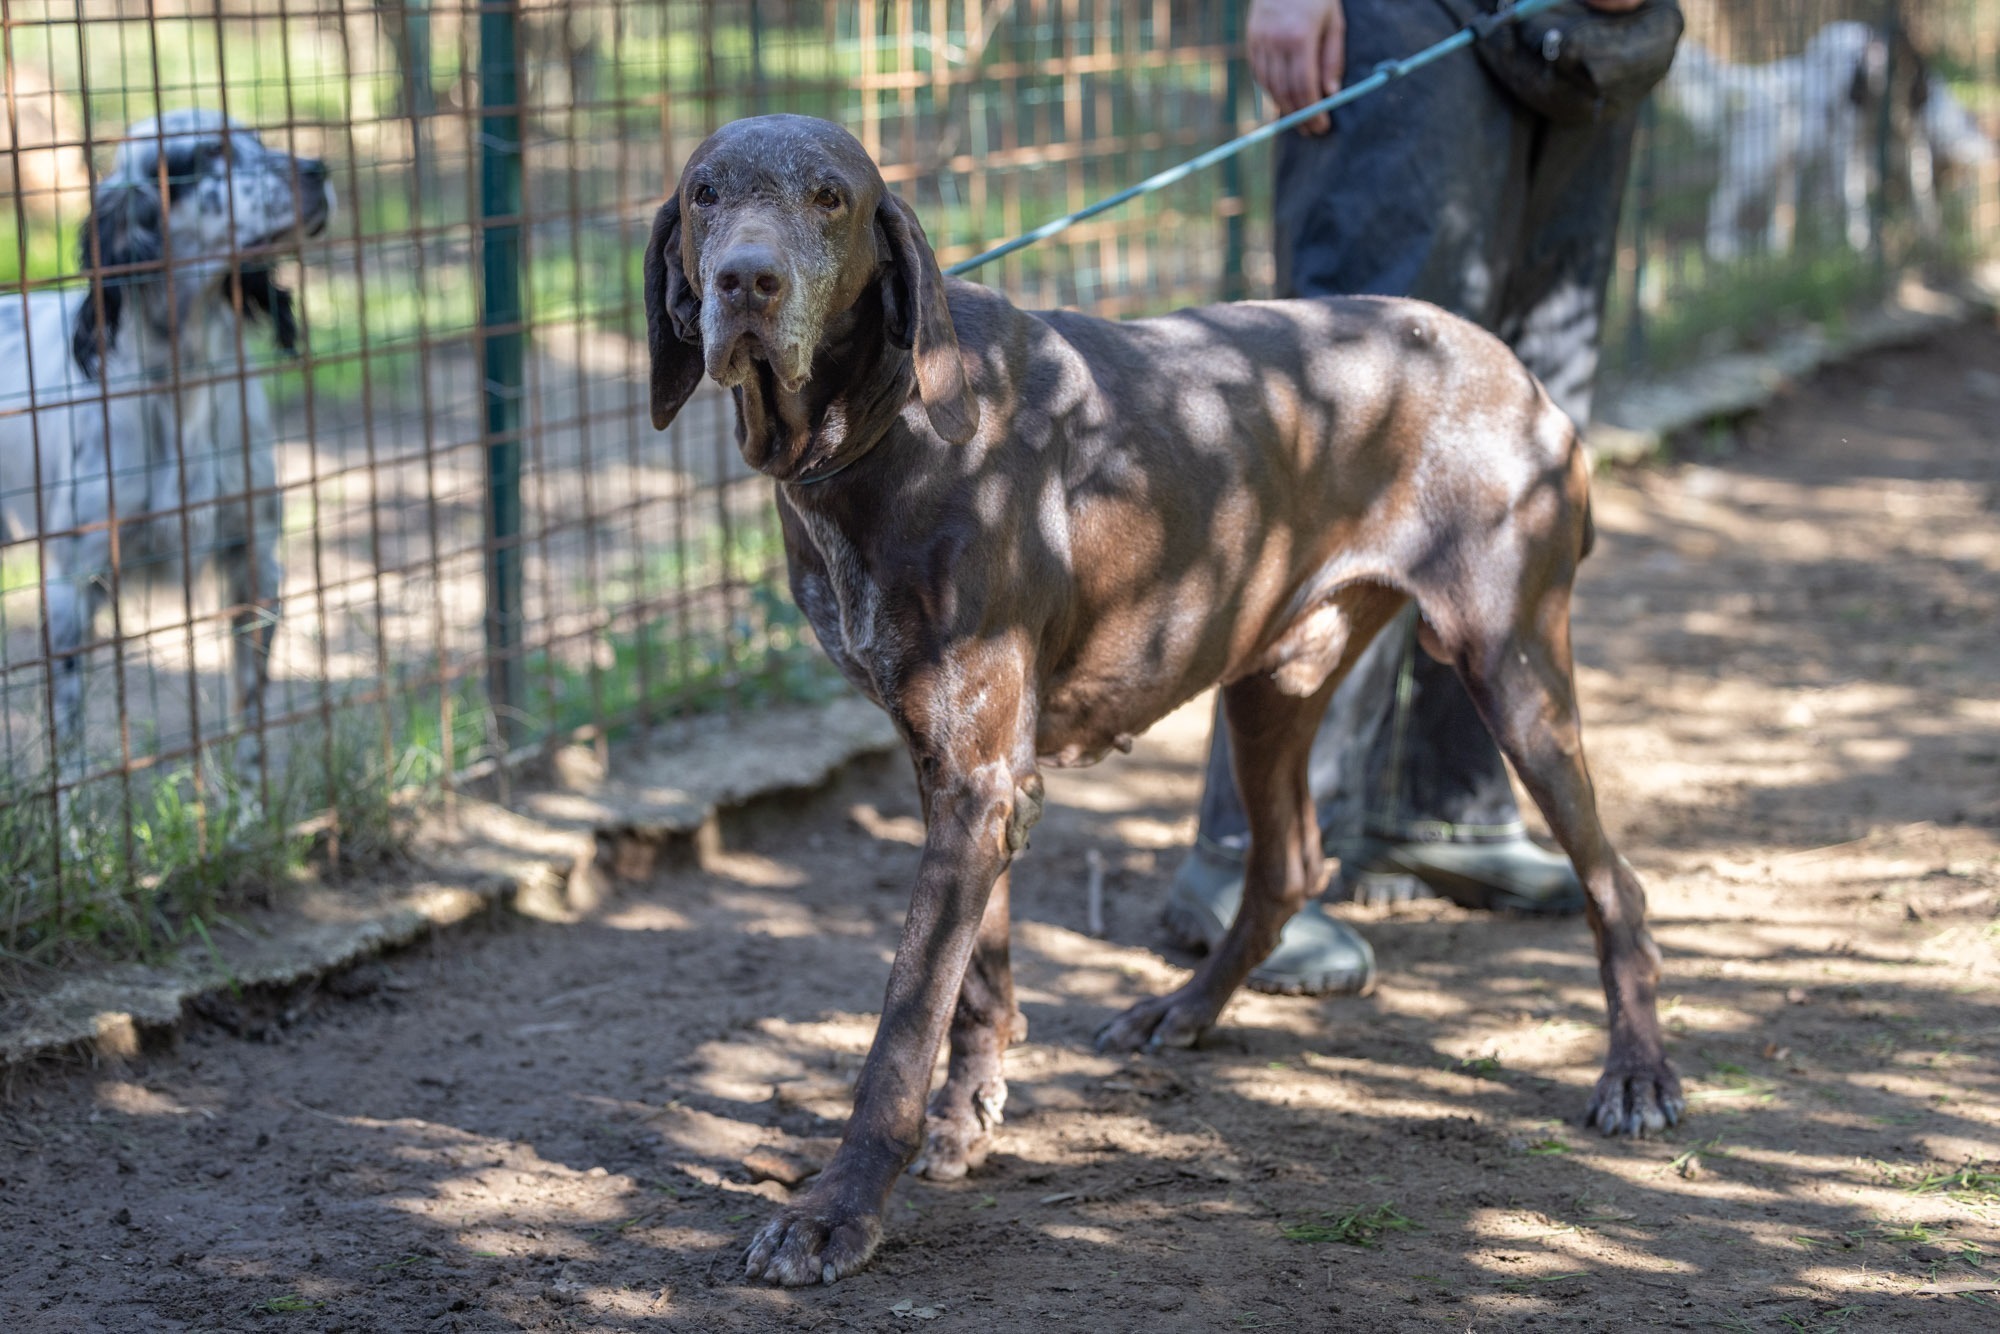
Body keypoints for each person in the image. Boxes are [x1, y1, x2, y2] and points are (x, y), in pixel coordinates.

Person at [1166, 0, 1670, 995]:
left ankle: (1444, 803)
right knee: (1358, 412)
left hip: (1591, 33)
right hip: (1407, 18)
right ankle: (1249, 858)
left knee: (1523, 419)